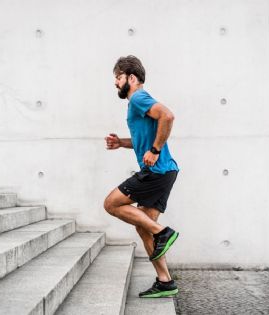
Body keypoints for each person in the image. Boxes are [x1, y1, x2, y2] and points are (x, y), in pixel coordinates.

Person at [104, 55, 180, 298]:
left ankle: (163, 232)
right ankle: (165, 281)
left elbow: (167, 116)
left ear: (132, 78)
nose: (116, 83)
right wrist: (121, 143)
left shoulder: (137, 97)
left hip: (157, 171)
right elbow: (142, 138)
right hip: (165, 172)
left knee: (111, 203)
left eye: (118, 77)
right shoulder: (136, 104)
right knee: (143, 227)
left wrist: (155, 150)